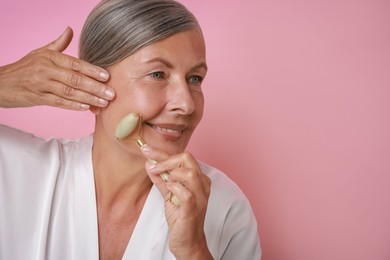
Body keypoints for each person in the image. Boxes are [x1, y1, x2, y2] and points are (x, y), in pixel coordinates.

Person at [0, 0, 261, 259]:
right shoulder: (16, 169)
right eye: (157, 74)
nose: (186, 104)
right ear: (91, 83)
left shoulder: (225, 207)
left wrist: (193, 251)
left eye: (195, 78)